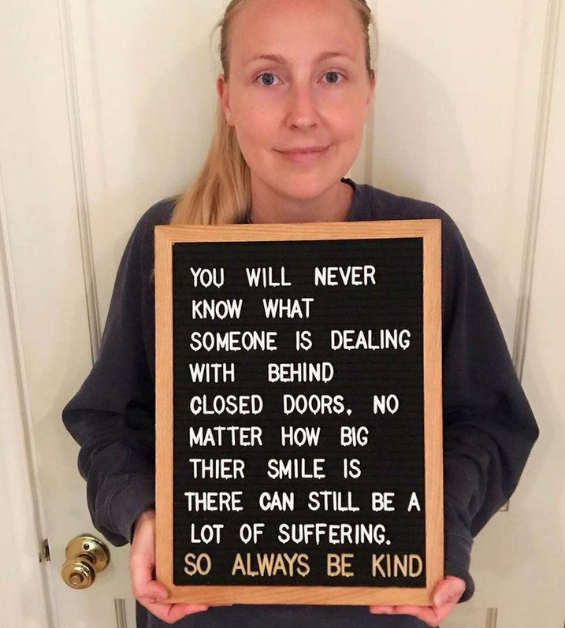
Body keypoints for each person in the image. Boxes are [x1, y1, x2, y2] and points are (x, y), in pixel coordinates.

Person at [61, 0, 539, 626]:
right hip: (203, 612)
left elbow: (490, 425)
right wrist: (144, 515)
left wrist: (439, 532)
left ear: (369, 91)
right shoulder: (169, 239)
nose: (303, 114)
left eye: (332, 76)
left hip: (378, 610)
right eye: (268, 77)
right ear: (226, 99)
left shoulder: (419, 243)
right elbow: (107, 421)